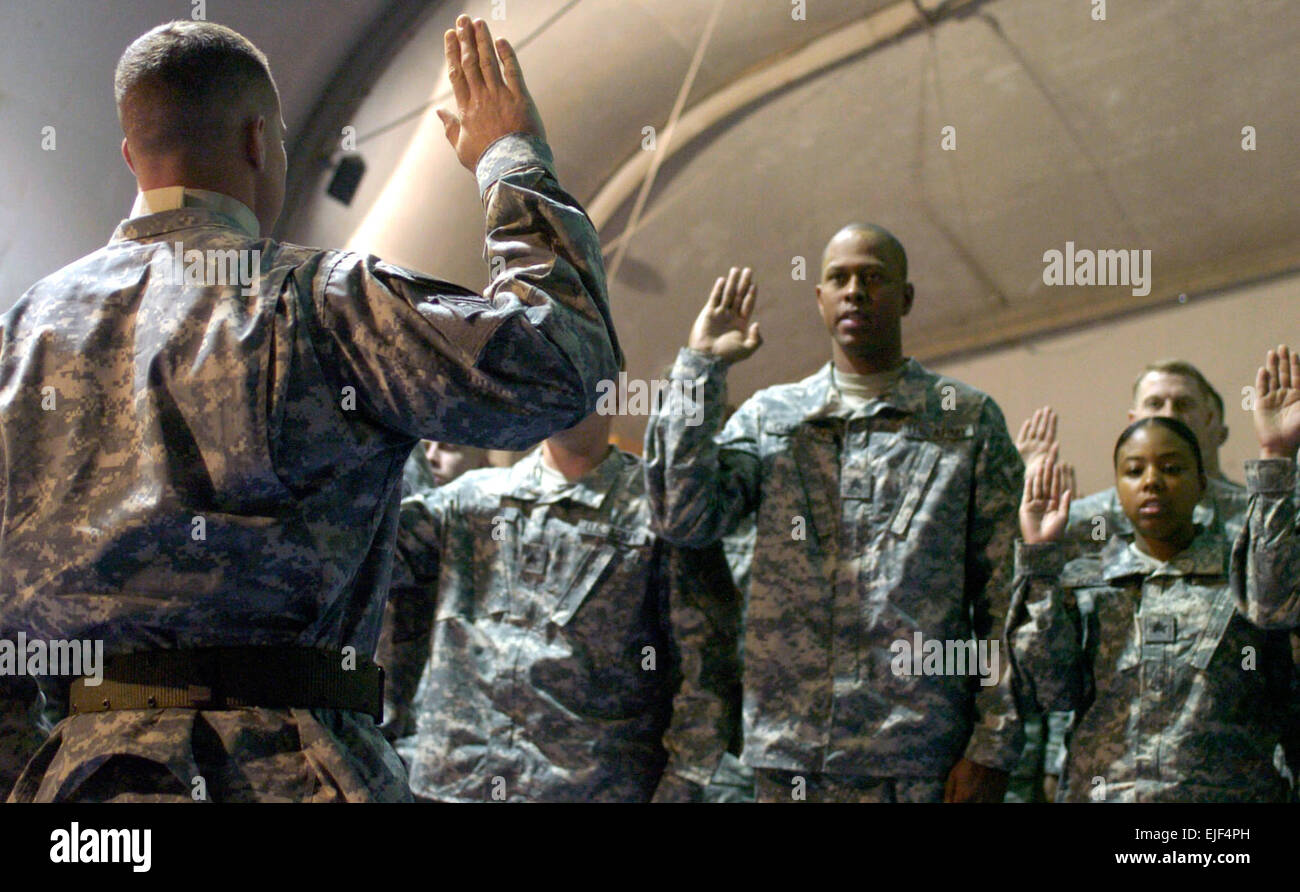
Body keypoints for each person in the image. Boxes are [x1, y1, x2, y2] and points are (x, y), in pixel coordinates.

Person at [0, 16, 620, 802]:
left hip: (83, 798)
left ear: (131, 156)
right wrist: (510, 156)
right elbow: (563, 366)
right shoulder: (322, 303)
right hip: (288, 773)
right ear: (260, 141)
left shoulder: (22, 336)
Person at [644, 224, 1025, 803]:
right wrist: (701, 367)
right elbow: (685, 518)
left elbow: (1004, 596)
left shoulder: (965, 422)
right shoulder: (774, 417)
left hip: (915, 757)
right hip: (789, 758)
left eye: (873, 278)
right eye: (839, 279)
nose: (855, 291)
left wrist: (993, 744)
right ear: (819, 298)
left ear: (906, 298)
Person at [380, 410, 737, 801]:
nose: (568, 396)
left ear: (610, 386)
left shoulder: (656, 517)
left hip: (590, 788)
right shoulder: (471, 501)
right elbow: (362, 552)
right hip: (455, 783)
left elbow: (708, 673)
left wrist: (679, 789)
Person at [1009, 346, 1300, 801]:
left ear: (1215, 428)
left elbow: (1278, 613)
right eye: (1154, 404)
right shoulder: (1082, 532)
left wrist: (1278, 459)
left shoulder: (1256, 519)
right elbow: (1049, 686)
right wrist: (1039, 554)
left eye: (1172, 468)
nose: (1152, 483)